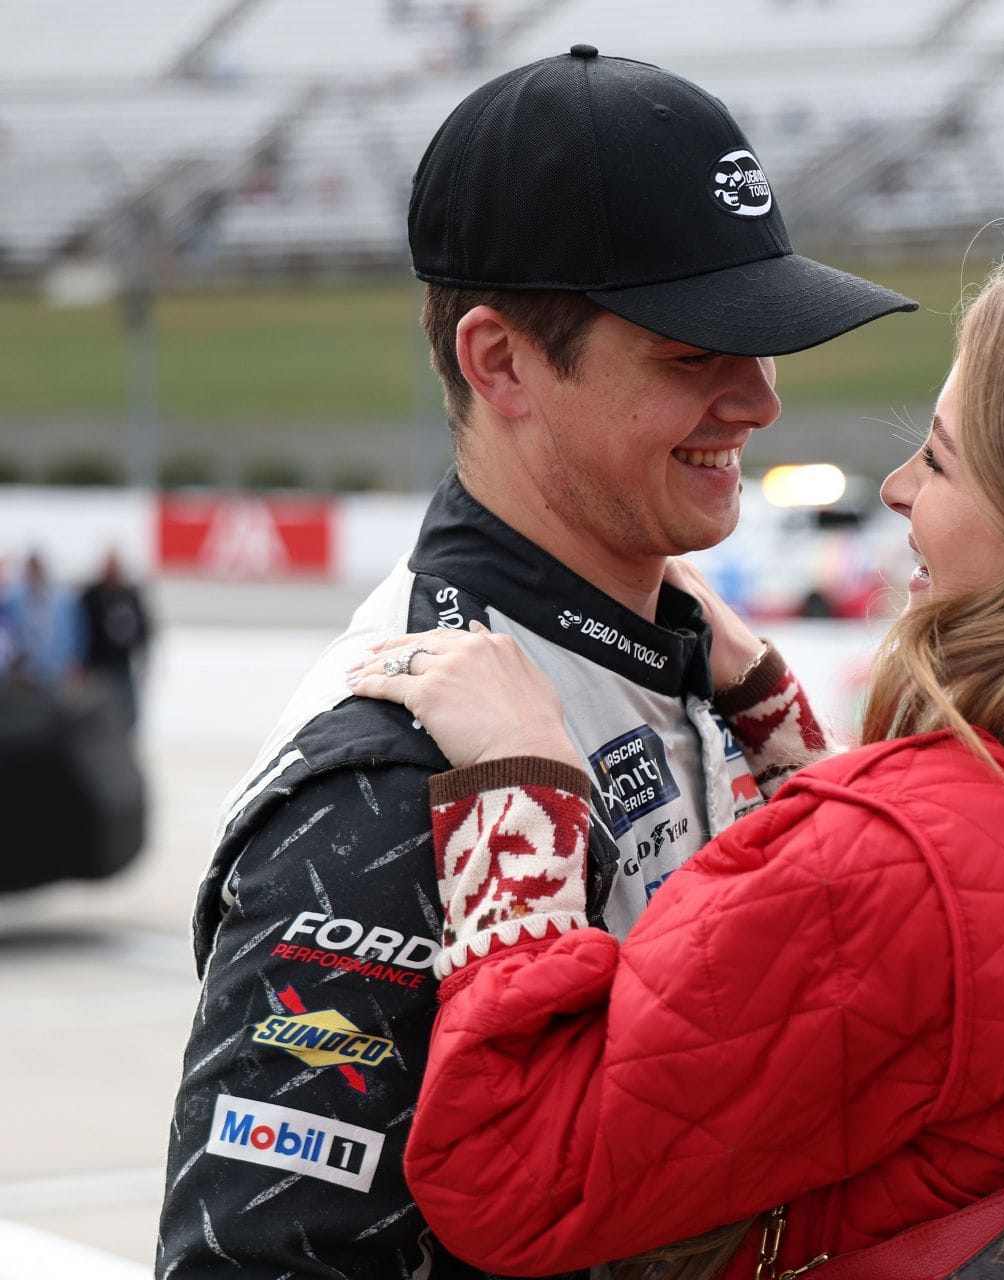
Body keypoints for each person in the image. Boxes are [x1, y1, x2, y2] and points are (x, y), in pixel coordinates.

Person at [348, 242, 1004, 1280]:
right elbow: (969, 971)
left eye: (939, 458)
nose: (895, 490)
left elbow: (513, 1172)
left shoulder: (894, 859)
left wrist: (518, 792)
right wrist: (779, 714)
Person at [155, 47, 916, 1280]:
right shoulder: (392, 774)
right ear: (499, 360)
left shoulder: (692, 664)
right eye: (693, 351)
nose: (761, 399)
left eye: (767, 338)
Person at [78, 549, 151, 727]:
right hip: (97, 667)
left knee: (128, 713)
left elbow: (143, 630)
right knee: (96, 712)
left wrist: (144, 661)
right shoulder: (91, 597)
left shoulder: (129, 595)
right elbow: (81, 631)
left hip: (122, 665)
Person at [3, 551, 83, 690]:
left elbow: (76, 633)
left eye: (36, 570)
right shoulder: (14, 600)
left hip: (56, 672)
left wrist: (74, 661)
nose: (34, 575)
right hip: (26, 674)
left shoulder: (62, 601)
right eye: (30, 571)